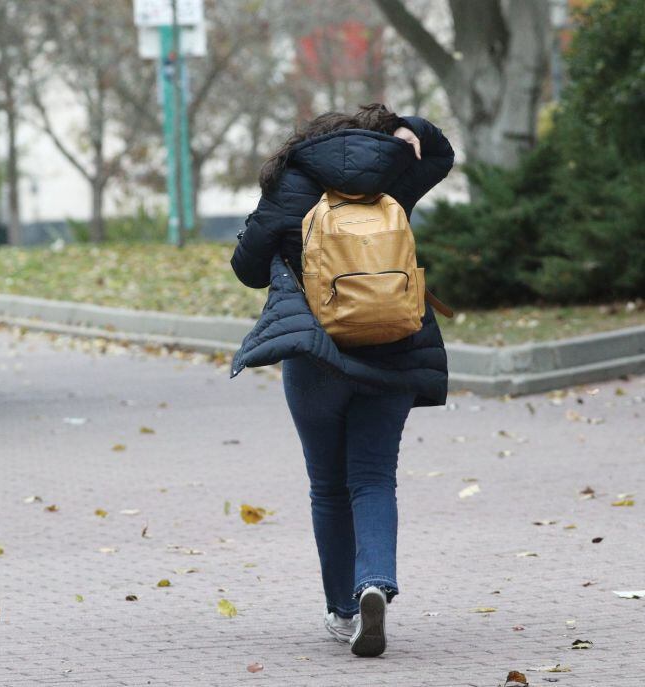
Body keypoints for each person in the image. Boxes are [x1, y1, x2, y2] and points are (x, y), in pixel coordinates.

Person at [229, 104, 455, 657]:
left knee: (328, 486)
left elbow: (248, 267)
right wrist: (413, 130)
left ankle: (344, 609)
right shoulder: (393, 177)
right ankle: (374, 581)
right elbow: (442, 154)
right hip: (395, 349)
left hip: (317, 355)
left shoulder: (292, 180)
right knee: (374, 477)